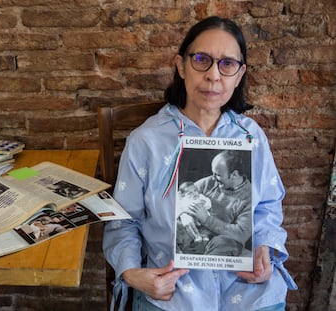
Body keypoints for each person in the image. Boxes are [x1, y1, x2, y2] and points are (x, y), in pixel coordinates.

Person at [103, 16, 297, 311]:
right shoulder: (146, 141)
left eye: (227, 64)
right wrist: (132, 274)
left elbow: (267, 207)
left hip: (246, 289)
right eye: (202, 59)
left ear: (239, 73)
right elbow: (123, 221)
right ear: (181, 65)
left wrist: (264, 249)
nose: (214, 76)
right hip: (174, 291)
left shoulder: (251, 136)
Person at [186, 150, 252, 256]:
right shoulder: (209, 183)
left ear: (234, 174)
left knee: (224, 243)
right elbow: (182, 195)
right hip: (196, 234)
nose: (213, 178)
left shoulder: (249, 197)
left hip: (221, 242)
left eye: (218, 175)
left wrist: (206, 219)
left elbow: (241, 234)